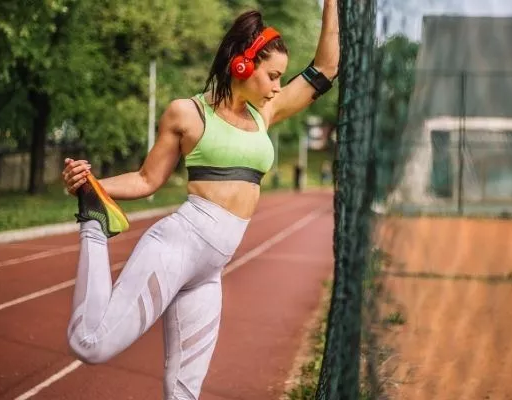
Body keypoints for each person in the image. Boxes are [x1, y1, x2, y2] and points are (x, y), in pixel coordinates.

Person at [60, 2, 339, 399]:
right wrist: (92, 186)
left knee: (184, 391)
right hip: (176, 247)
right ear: (242, 65)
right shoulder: (188, 113)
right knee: (90, 343)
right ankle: (94, 223)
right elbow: (146, 180)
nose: (279, 86)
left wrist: (331, 4)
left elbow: (326, 68)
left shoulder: (265, 112)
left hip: (209, 271)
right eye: (273, 76)